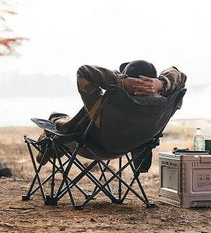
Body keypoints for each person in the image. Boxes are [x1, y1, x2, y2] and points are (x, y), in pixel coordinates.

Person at [36, 60, 186, 165]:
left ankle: (49, 147)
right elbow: (179, 75)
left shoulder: (113, 104)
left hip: (96, 147)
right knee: (77, 118)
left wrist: (121, 82)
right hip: (132, 146)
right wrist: (162, 83)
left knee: (56, 119)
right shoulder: (162, 104)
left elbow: (84, 72)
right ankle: (51, 146)